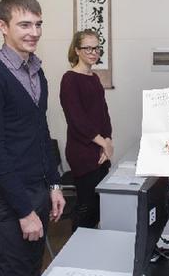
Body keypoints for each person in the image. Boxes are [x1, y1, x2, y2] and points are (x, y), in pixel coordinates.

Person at [0, 0, 65, 276]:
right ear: (3, 26)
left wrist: (55, 184)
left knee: (33, 269)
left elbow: (41, 132)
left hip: (37, 192)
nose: (34, 32)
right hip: (8, 200)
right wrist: (24, 211)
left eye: (38, 24)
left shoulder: (36, 71)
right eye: (24, 25)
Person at [60, 29, 113, 231]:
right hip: (82, 151)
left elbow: (103, 114)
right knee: (87, 208)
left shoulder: (94, 77)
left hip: (100, 148)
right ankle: (77, 253)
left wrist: (107, 141)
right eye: (87, 48)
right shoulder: (70, 79)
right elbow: (76, 119)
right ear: (77, 50)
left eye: (96, 47)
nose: (93, 52)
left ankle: (92, 252)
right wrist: (102, 143)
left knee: (100, 206)